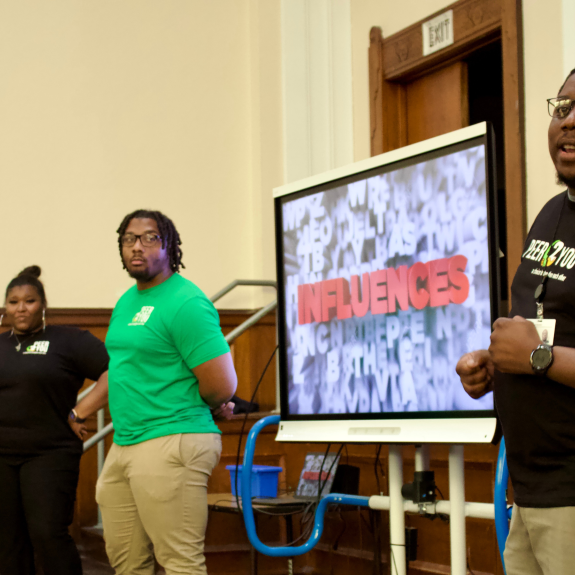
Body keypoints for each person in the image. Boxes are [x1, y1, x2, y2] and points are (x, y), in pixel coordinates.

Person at [456, 68, 575, 575]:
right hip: (527, 492)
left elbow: (540, 349)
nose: (568, 122)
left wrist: (536, 358)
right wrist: (494, 364)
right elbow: (540, 325)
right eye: (563, 108)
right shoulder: (550, 214)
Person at [96, 209, 237, 575]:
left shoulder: (186, 303)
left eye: (149, 238)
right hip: (126, 441)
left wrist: (203, 403)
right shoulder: (128, 300)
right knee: (127, 563)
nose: (137, 247)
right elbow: (121, 366)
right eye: (129, 239)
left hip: (171, 436)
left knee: (180, 564)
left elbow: (222, 385)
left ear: (169, 244)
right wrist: (81, 411)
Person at [0, 266, 109, 575]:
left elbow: (116, 372)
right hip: (2, 456)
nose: (21, 308)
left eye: (29, 301)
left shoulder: (68, 340)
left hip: (50, 454)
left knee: (48, 535)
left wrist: (80, 411)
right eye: (13, 302)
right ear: (5, 307)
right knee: (8, 541)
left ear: (43, 304)